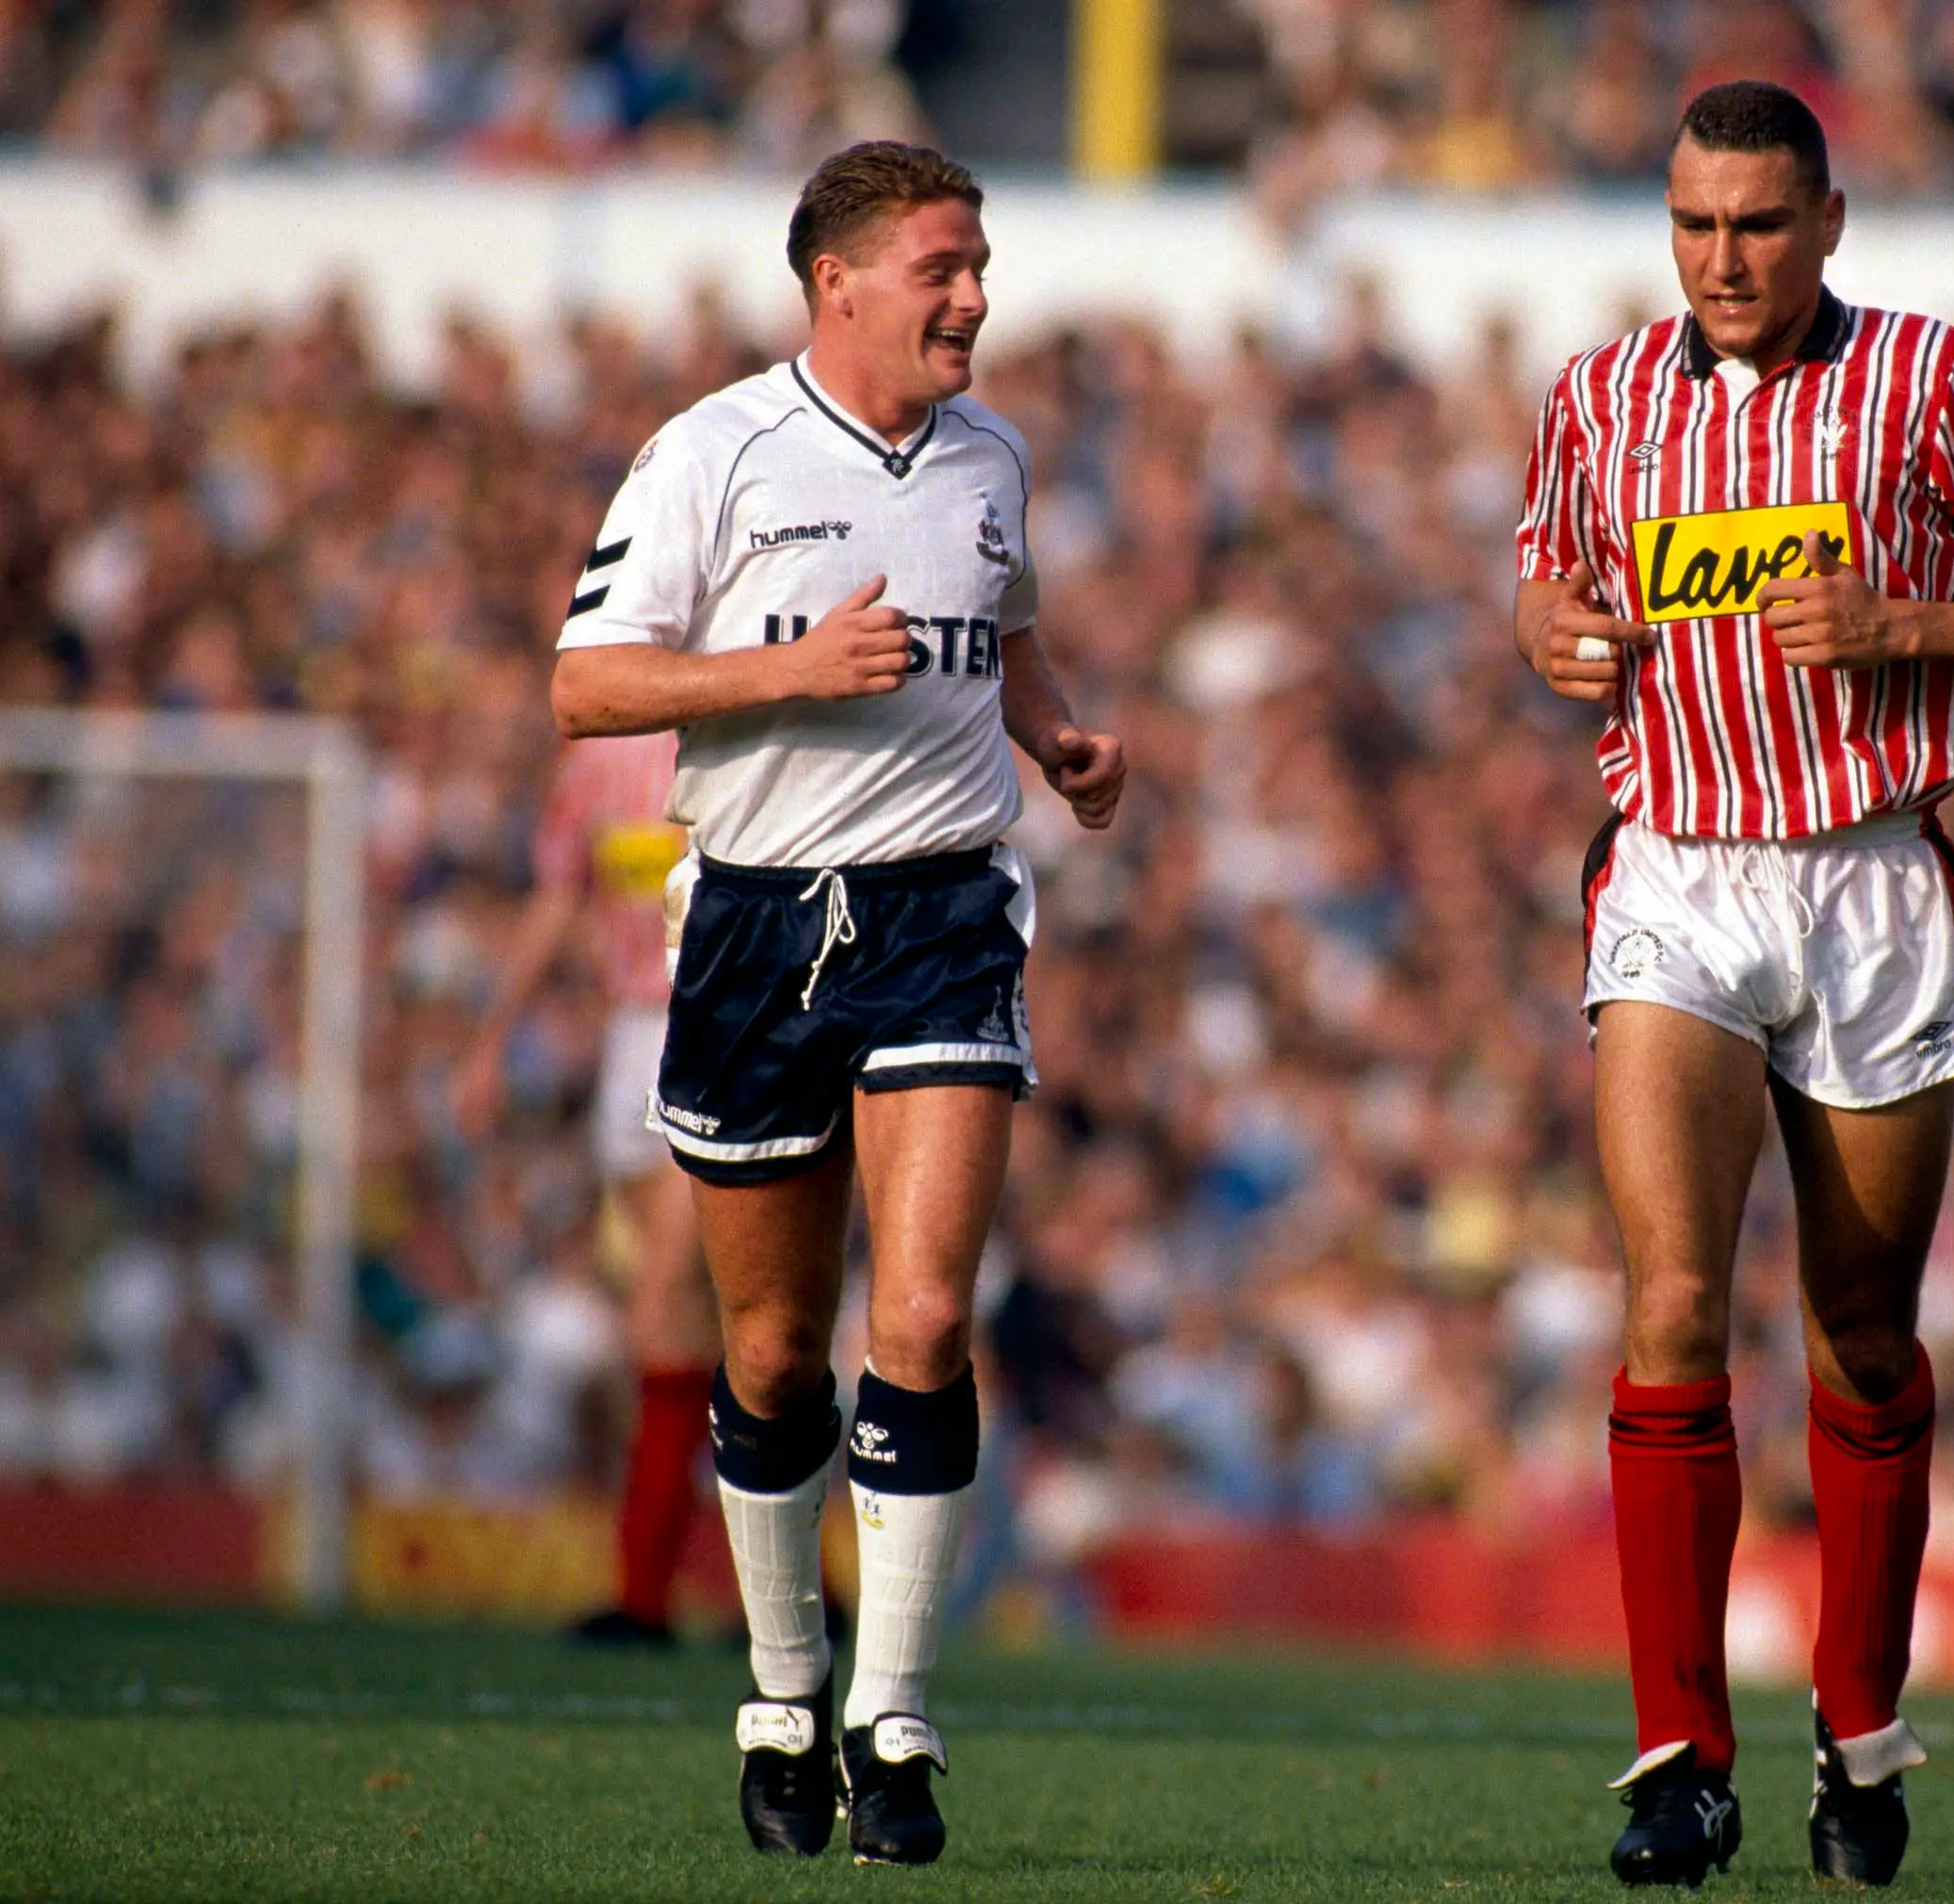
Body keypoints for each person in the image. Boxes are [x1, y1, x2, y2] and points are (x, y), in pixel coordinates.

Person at [1513, 80, 1954, 1889]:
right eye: (1695, 224)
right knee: (1673, 1300)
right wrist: (1552, 637)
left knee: (1859, 1330)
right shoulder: (1600, 396)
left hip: (1871, 880)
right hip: (1677, 875)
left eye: (1759, 224)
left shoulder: (1936, 381)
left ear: (1828, 223)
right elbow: (1548, 586)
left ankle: (1858, 1729)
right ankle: (1679, 1760)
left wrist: (1903, 622)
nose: (1723, 258)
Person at [547, 140, 1127, 1865]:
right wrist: (786, 670)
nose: (976, 297)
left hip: (944, 911)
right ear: (841, 282)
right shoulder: (712, 450)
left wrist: (1056, 736)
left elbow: (1006, 629)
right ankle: (784, 1690)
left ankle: (897, 1717)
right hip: (752, 922)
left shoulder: (992, 455)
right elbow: (586, 685)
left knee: (927, 1319)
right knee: (773, 1351)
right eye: (945, 267)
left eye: (981, 263)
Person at [454, 728, 713, 1649]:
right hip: (632, 1039)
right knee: (709, 1333)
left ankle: (644, 1594)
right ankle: (794, 1594)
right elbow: (561, 893)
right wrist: (492, 1037)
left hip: (718, 1028)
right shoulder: (600, 760)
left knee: (664, 1311)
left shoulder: (744, 724)